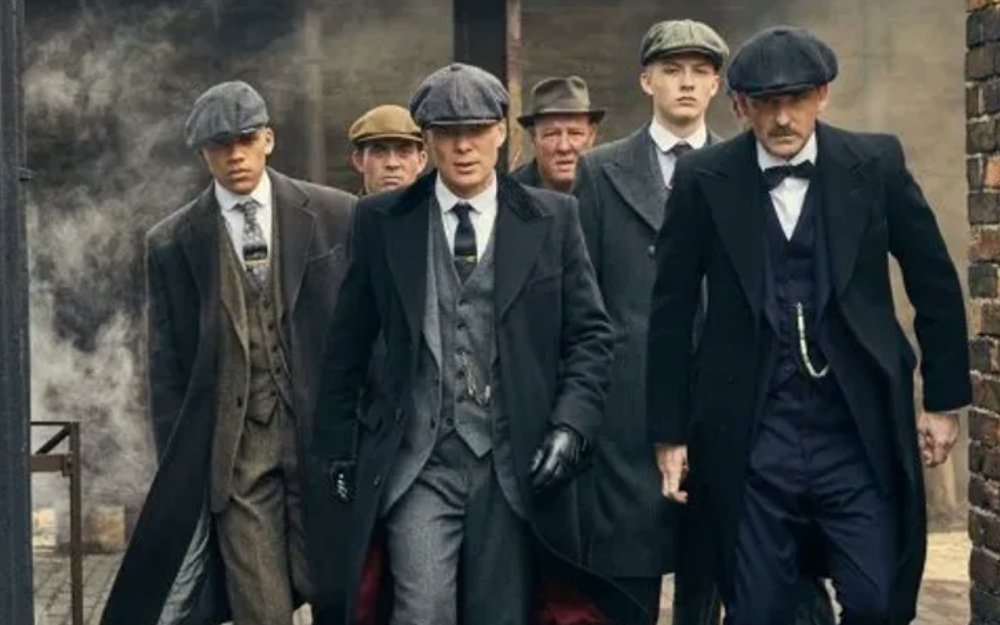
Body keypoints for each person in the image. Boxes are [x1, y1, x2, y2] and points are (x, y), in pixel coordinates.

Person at [647, 26, 970, 625]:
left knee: (878, 601)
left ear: (822, 95)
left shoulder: (875, 163)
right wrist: (670, 435)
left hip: (855, 428)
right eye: (766, 103)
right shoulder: (703, 179)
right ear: (740, 105)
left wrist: (943, 400)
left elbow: (933, 280)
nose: (782, 118)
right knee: (756, 609)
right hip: (752, 432)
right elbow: (670, 309)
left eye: (795, 99)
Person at [309, 62, 646, 625]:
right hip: (419, 460)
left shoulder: (552, 217)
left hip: (511, 465)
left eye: (476, 130)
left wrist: (571, 425)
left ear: (501, 133)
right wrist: (336, 448)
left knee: (501, 613)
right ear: (427, 141)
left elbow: (591, 336)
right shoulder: (382, 219)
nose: (463, 147)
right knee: (422, 610)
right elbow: (348, 342)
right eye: (447, 133)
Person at [100, 81, 356, 625]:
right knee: (259, 608)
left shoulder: (336, 213)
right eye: (220, 145)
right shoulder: (172, 242)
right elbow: (167, 368)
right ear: (203, 155)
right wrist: (184, 469)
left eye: (245, 140)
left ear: (268, 140)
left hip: (323, 446)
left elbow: (364, 337)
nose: (235, 155)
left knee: (340, 595)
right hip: (237, 458)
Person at [573, 19, 728, 623]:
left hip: (718, 399)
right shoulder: (600, 170)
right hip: (626, 411)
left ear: (716, 85)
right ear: (646, 81)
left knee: (706, 571)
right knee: (626, 579)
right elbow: (582, 299)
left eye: (699, 71)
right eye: (671, 70)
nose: (686, 83)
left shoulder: (742, 168)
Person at [511, 76, 603, 192]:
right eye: (552, 134)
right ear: (533, 137)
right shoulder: (509, 194)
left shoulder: (611, 189)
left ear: (591, 135)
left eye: (575, 133)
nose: (564, 147)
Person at [349, 104, 428, 195]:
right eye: (379, 152)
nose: (392, 164)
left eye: (404, 152)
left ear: (421, 161)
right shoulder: (345, 205)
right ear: (359, 160)